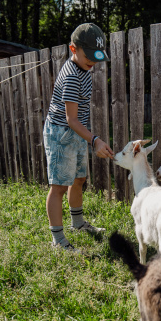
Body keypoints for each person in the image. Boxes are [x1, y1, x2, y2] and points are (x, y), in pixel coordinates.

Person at [43, 23, 114, 251]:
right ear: (73, 49)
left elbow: (78, 119)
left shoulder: (85, 70)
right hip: (61, 134)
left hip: (76, 132)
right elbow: (70, 119)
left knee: (79, 179)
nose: (92, 62)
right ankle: (58, 239)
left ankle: (78, 223)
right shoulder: (72, 76)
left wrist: (88, 138)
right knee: (59, 187)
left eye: (96, 56)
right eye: (88, 56)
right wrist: (95, 140)